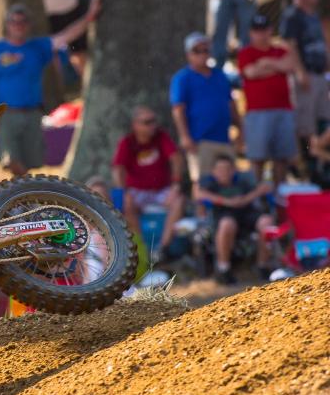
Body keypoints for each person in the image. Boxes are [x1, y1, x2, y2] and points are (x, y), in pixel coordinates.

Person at [0, 0, 101, 176]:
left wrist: (90, 16)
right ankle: (28, 188)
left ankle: (24, 196)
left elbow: (67, 35)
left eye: (23, 21)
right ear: (7, 24)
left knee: (31, 161)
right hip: (4, 115)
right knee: (9, 159)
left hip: (33, 113)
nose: (18, 25)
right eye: (14, 21)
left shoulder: (38, 47)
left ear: (29, 25)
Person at [112, 107, 186, 262]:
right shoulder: (127, 142)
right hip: (137, 191)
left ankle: (162, 249)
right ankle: (141, 249)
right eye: (147, 122)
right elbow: (118, 168)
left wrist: (176, 185)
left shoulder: (161, 137)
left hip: (161, 190)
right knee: (126, 202)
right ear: (135, 125)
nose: (152, 125)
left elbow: (176, 158)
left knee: (178, 200)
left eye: (154, 121)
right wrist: (123, 191)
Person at [169, 31, 242, 185]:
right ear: (188, 54)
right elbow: (178, 109)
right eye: (197, 50)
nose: (202, 54)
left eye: (205, 50)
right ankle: (202, 210)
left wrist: (241, 130)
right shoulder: (182, 78)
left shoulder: (220, 76)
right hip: (199, 141)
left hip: (224, 139)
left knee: (228, 182)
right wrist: (185, 136)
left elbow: (231, 104)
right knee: (202, 183)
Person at [236, 14, 299, 185]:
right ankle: (257, 199)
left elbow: (290, 65)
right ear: (251, 33)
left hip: (283, 110)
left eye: (264, 30)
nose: (261, 35)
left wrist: (265, 62)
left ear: (270, 30)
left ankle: (279, 198)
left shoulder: (281, 51)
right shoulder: (246, 53)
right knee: (257, 158)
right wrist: (276, 67)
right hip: (257, 112)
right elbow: (250, 73)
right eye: (257, 31)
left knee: (282, 158)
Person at [197, 154, 274, 284]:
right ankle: (224, 269)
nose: (224, 173)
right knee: (228, 224)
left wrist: (244, 200)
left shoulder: (243, 181)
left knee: (267, 222)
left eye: (228, 169)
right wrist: (227, 201)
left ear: (233, 170)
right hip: (224, 217)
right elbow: (198, 193)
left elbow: (265, 187)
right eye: (220, 169)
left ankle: (263, 266)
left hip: (247, 215)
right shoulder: (210, 184)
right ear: (213, 172)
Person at [279, 0, 330, 157]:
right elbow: (289, 45)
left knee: (321, 119)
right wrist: (300, 72)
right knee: (305, 123)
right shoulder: (292, 15)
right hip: (305, 75)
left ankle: (319, 160)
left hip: (319, 74)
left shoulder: (314, 16)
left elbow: (322, 43)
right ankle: (306, 161)